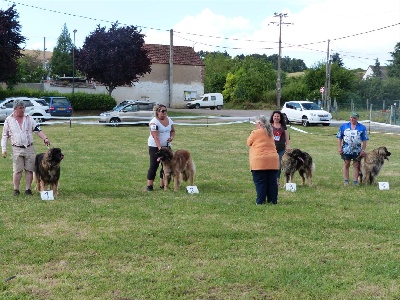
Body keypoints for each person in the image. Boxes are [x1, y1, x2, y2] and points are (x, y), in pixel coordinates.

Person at [1, 99, 51, 196]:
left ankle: (28, 189)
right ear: (15, 109)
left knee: (29, 169)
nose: (23, 110)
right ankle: (16, 190)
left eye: (24, 108)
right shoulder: (8, 120)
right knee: (17, 170)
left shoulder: (29, 118)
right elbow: (5, 136)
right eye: (20, 108)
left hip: (29, 148)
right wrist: (3, 149)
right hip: (16, 149)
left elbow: (37, 129)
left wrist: (45, 138)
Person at [247, 115, 279, 205]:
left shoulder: (255, 133)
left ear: (259, 124)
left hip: (259, 161)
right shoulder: (270, 132)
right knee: (272, 183)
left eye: (256, 123)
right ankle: (273, 201)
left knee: (260, 182)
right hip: (272, 161)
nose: (255, 125)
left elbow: (248, 142)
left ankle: (260, 201)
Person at [146, 104, 175, 191]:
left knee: (166, 166)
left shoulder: (169, 119)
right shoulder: (154, 122)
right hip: (155, 146)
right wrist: (159, 147)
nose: (165, 112)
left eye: (165, 110)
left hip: (167, 146)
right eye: (162, 111)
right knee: (154, 165)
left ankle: (163, 185)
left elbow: (173, 130)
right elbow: (155, 136)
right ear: (157, 112)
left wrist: (171, 137)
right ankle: (149, 186)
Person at [337, 112, 369, 186]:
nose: (352, 119)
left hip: (357, 150)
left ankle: (355, 181)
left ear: (357, 119)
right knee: (346, 164)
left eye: (354, 118)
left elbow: (365, 140)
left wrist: (363, 150)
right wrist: (339, 148)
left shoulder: (362, 127)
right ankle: (346, 181)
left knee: (356, 165)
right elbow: (339, 137)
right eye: (351, 117)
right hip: (346, 149)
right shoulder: (344, 126)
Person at [269, 110, 290, 186]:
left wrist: (288, 145)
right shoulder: (269, 126)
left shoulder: (283, 126)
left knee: (279, 165)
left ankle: (277, 181)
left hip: (281, 149)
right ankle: (271, 180)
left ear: (280, 117)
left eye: (278, 116)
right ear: (273, 117)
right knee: (271, 165)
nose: (276, 118)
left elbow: (287, 137)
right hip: (271, 149)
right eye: (275, 116)